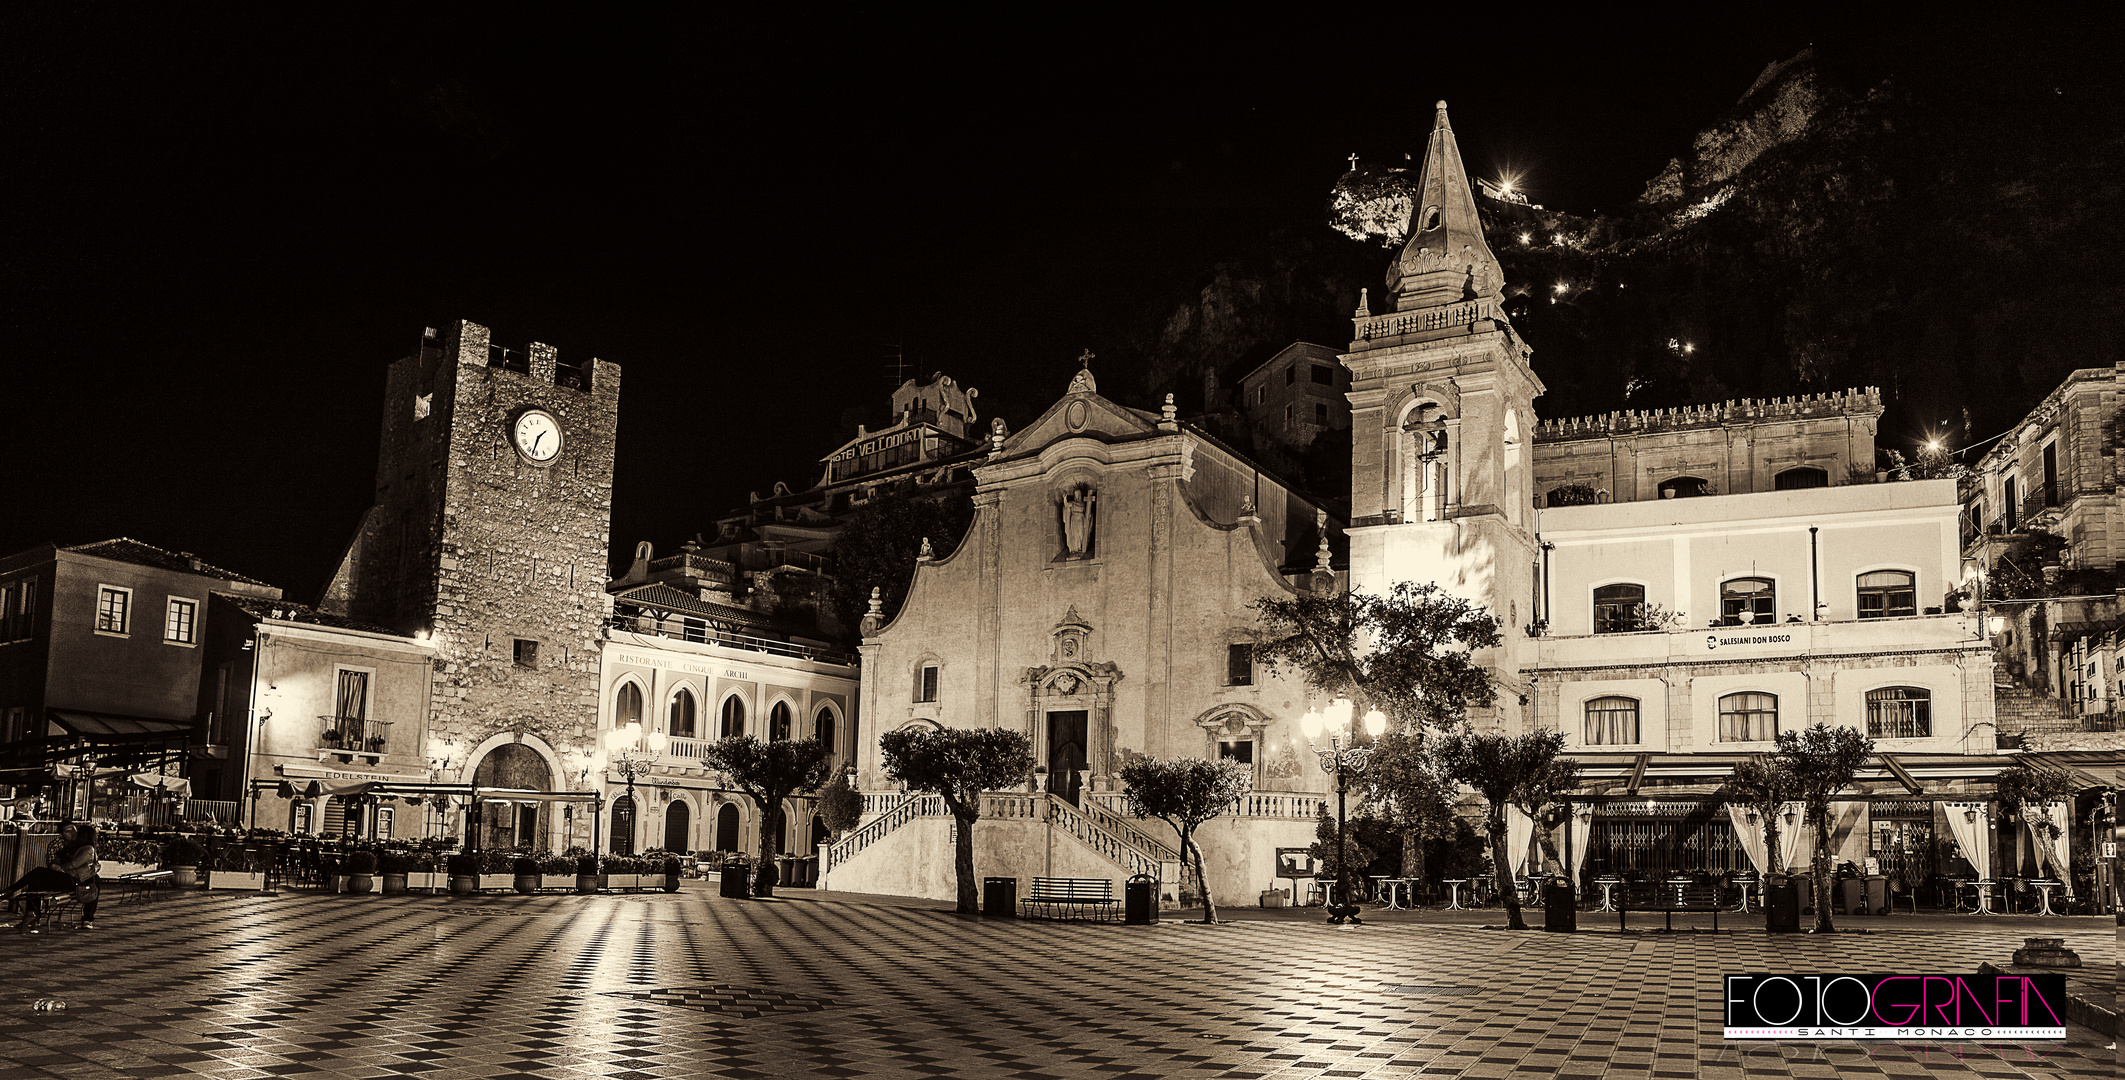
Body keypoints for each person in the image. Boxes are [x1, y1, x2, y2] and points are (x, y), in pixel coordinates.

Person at [1, 823, 99, 932]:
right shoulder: (72, 846)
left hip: (71, 880)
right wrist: (57, 864)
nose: (74, 834)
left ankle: (10, 890)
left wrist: (59, 868)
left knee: (38, 871)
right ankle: (31, 914)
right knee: (35, 882)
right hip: (66, 877)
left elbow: (72, 865)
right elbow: (57, 860)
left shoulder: (88, 849)